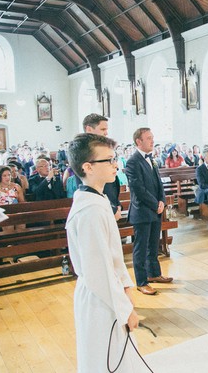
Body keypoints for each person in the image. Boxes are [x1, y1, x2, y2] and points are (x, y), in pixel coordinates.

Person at [65, 133, 140, 371]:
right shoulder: (90, 211)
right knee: (104, 360)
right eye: (108, 160)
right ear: (87, 167)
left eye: (114, 158)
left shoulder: (96, 199)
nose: (115, 164)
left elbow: (112, 256)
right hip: (101, 299)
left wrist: (127, 288)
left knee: (118, 356)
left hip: (108, 294)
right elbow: (99, 271)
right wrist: (125, 309)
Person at [124, 128, 173, 296]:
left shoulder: (152, 159)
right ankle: (142, 281)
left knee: (154, 244)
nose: (153, 141)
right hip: (142, 210)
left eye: (152, 137)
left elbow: (159, 184)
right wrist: (155, 204)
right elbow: (138, 189)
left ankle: (154, 274)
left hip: (155, 209)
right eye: (149, 138)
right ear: (139, 141)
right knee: (141, 247)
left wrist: (162, 202)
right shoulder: (132, 162)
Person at [71, 113, 122, 219]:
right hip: (99, 206)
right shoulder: (83, 152)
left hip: (107, 204)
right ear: (89, 129)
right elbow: (88, 184)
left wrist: (117, 205)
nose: (106, 132)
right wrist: (112, 209)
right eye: (103, 129)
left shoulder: (103, 150)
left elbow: (110, 185)